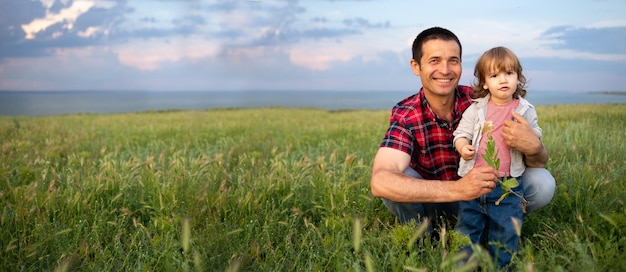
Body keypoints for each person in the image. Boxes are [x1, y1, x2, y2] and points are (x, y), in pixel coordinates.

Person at [370, 27, 555, 232]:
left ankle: (497, 221)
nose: (445, 70)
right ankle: (424, 235)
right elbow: (380, 181)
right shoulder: (406, 114)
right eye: (434, 61)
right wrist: (459, 189)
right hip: (433, 201)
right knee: (395, 179)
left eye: (453, 60)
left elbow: (539, 161)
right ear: (416, 66)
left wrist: (534, 148)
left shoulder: (482, 101)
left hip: (488, 194)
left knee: (542, 183)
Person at [453, 46, 538, 268]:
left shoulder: (524, 109)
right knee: (468, 226)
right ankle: (463, 265)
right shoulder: (477, 109)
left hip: (507, 184)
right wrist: (463, 147)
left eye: (509, 73)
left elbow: (534, 136)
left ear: (518, 77)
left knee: (506, 228)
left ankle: (499, 266)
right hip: (474, 181)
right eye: (494, 75)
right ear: (484, 82)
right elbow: (461, 133)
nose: (503, 80)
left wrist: (529, 138)